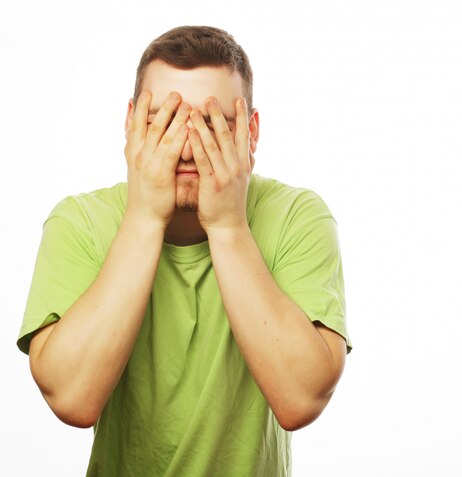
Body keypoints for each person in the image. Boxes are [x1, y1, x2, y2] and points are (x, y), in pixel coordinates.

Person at [17, 25, 351, 476]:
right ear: (131, 126)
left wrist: (228, 226)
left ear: (251, 133)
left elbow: (300, 399)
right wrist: (143, 218)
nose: (189, 149)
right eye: (165, 121)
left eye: (215, 124)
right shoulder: (79, 222)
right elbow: (73, 400)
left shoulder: (298, 217)